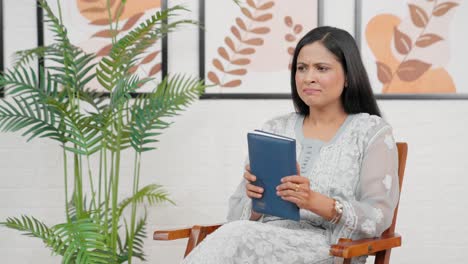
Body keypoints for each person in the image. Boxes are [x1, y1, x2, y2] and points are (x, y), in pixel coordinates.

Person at [182, 26, 399, 264]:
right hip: (258, 239)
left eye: (322, 68)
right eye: (301, 68)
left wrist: (314, 201)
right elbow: (235, 217)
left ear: (348, 76)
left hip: (329, 249)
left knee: (236, 237)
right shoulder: (274, 129)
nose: (308, 78)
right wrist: (255, 199)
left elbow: (377, 218)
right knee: (235, 235)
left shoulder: (371, 132)